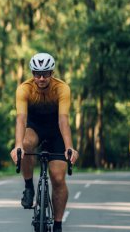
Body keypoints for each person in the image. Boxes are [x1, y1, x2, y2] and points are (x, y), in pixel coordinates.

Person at [10, 52, 80, 232]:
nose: (41, 78)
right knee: (25, 146)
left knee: (57, 178)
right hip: (35, 127)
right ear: (32, 73)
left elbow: (63, 120)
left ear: (52, 72)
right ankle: (28, 187)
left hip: (56, 129)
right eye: (37, 74)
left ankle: (57, 224)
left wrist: (69, 147)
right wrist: (18, 145)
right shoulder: (24, 89)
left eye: (45, 74)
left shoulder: (62, 88)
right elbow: (21, 119)